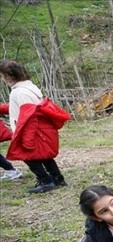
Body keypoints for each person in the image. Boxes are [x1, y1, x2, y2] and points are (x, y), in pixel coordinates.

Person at [0, 60, 69, 193]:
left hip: (31, 131)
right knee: (44, 155)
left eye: (3, 76)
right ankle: (58, 179)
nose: (2, 79)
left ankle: (46, 181)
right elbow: (20, 107)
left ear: (10, 76)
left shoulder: (19, 92)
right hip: (38, 129)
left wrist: (27, 140)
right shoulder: (28, 88)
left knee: (28, 156)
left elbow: (29, 117)